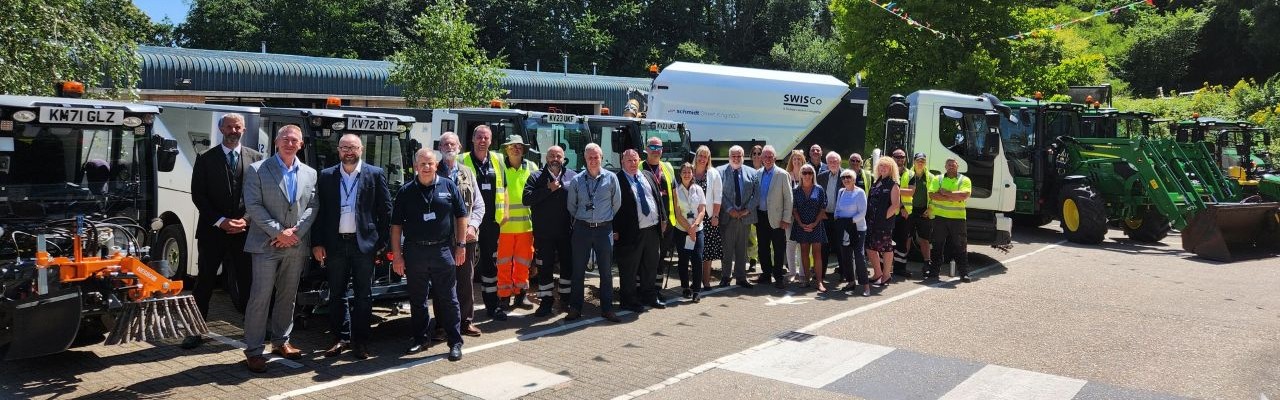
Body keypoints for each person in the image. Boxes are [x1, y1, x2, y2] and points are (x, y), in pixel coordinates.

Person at [241, 125, 318, 373]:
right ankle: (253, 351)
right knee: (260, 298)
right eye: (285, 138)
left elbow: (313, 206)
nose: (289, 142)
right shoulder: (257, 170)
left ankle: (281, 342)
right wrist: (278, 232)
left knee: (288, 297)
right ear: (276, 142)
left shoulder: (310, 173)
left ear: (301, 144)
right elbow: (253, 205)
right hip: (265, 245)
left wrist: (294, 234)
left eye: (294, 139)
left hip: (295, 245)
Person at [185, 113, 264, 349]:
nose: (233, 130)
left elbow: (260, 195)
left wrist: (246, 220)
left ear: (242, 130)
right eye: (229, 126)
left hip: (244, 232)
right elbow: (199, 196)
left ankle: (255, 328)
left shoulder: (257, 159)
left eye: (237, 127)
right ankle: (195, 330)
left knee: (248, 281)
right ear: (221, 129)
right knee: (205, 282)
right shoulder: (205, 158)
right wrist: (221, 221)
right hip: (213, 232)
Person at [313, 134, 391, 360]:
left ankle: (361, 342)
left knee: (363, 295)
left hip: (363, 246)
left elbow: (386, 211)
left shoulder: (375, 174)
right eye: (344, 147)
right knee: (337, 294)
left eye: (353, 147)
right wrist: (317, 243)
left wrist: (381, 244)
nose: (348, 151)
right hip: (335, 245)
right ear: (338, 150)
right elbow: (320, 213)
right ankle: (340, 338)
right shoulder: (326, 176)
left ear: (361, 149)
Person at [391, 149, 466, 361]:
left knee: (449, 298)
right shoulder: (405, 192)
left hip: (443, 251)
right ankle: (421, 339)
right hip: (415, 252)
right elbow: (395, 226)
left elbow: (461, 216)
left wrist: (460, 245)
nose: (426, 167)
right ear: (416, 166)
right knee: (418, 300)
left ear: (436, 165)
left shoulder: (448, 186)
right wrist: (397, 255)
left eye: (430, 163)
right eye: (422, 163)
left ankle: (455, 342)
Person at [565, 143, 623, 322]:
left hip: (604, 229)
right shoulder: (577, 180)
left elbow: (617, 203)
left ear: (602, 157)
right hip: (582, 229)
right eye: (589, 157)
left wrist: (603, 218)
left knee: (606, 272)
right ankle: (575, 308)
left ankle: (607, 309)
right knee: (578, 271)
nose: (593, 160)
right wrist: (585, 218)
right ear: (585, 159)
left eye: (596, 157)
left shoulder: (611, 178)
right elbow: (571, 206)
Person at [436, 132, 485, 337]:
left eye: (452, 143)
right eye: (445, 143)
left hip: (465, 238)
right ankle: (440, 325)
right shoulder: (432, 170)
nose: (449, 146)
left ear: (460, 146)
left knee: (465, 280)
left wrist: (472, 227)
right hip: (440, 238)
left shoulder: (467, 172)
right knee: (442, 282)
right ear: (439, 148)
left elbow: (479, 205)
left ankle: (465, 322)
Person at [459, 126, 505, 321]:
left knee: (490, 266)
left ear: (490, 141)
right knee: (464, 268)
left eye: (486, 138)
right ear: (473, 139)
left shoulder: (498, 159)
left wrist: (506, 214)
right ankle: (463, 312)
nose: (482, 141)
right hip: (468, 223)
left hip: (492, 222)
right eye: (479, 137)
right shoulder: (462, 160)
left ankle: (492, 307)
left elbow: (505, 188)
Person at [524, 145, 576, 317]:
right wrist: (548, 189)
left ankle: (565, 300)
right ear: (546, 158)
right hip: (544, 234)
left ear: (563, 158)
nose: (555, 159)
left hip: (566, 232)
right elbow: (527, 199)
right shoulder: (536, 176)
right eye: (552, 155)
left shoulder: (572, 176)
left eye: (558, 156)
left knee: (567, 267)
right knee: (544, 268)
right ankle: (546, 302)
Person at [616, 149, 668, 313]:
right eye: (628, 160)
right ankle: (628, 300)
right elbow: (612, 207)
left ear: (639, 160)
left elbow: (658, 198)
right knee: (629, 268)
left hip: (652, 229)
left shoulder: (647, 175)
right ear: (622, 162)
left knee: (650, 265)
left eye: (634, 160)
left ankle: (649, 296)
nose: (632, 164)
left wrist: (663, 218)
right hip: (630, 232)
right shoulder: (616, 180)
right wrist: (614, 229)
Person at [494, 135, 538, 311]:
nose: (515, 149)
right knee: (503, 264)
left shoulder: (532, 167)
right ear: (506, 149)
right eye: (512, 146)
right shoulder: (499, 167)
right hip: (504, 227)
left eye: (519, 146)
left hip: (526, 227)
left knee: (523, 263)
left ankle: (521, 295)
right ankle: (504, 297)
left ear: (524, 149)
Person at [717, 145, 759, 288]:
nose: (736, 158)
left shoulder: (753, 173)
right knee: (727, 249)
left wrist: (747, 210)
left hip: (745, 217)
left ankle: (741, 277)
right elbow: (719, 193)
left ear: (743, 156)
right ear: (729, 157)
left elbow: (757, 194)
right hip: (728, 217)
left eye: (739, 156)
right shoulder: (720, 172)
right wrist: (729, 209)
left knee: (742, 249)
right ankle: (725, 277)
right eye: (733, 156)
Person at [925, 158, 973, 283]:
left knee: (961, 246)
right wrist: (953, 197)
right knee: (937, 245)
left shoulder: (964, 180)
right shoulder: (938, 178)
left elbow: (964, 195)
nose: (951, 166)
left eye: (953, 164)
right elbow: (932, 195)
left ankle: (964, 273)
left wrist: (945, 193)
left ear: (958, 166)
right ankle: (934, 272)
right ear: (945, 166)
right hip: (940, 218)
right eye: (949, 164)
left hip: (958, 219)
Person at [641, 136, 678, 295]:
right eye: (652, 147)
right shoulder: (639, 166)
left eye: (658, 148)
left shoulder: (667, 168)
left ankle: (656, 290)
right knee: (646, 259)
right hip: (648, 223)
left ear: (662, 150)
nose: (656, 151)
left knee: (660, 258)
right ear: (646, 149)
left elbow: (674, 195)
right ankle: (642, 290)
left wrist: (675, 219)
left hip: (667, 221)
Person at [753, 145, 793, 289]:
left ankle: (778, 276)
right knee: (762, 248)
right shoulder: (757, 174)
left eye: (770, 157)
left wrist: (786, 218)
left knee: (778, 248)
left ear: (775, 158)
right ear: (761, 158)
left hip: (777, 218)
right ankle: (766, 274)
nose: (768, 159)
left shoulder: (782, 174)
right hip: (761, 217)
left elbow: (789, 198)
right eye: (765, 156)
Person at [791, 164, 828, 291]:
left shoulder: (819, 189)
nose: (807, 175)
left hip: (816, 225)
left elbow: (823, 208)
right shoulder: (795, 190)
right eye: (804, 172)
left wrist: (815, 223)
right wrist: (801, 223)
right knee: (804, 253)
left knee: (817, 254)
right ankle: (806, 279)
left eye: (809, 173)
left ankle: (819, 282)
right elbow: (794, 209)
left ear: (813, 175)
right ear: (801, 174)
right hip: (801, 225)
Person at [672, 162, 706, 302]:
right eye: (684, 172)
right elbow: (678, 214)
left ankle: (697, 290)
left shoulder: (698, 189)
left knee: (697, 259)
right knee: (683, 260)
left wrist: (694, 226)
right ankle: (685, 287)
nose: (687, 174)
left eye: (689, 172)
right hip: (681, 230)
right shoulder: (676, 191)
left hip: (697, 230)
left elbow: (702, 210)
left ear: (692, 174)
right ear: (680, 174)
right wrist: (688, 228)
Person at [866, 157, 901, 288]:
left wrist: (882, 218)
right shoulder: (876, 183)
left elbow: (895, 206)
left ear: (891, 168)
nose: (883, 168)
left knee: (886, 248)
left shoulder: (893, 185)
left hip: (883, 223)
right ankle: (877, 274)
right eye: (880, 166)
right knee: (870, 248)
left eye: (886, 166)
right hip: (871, 222)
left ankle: (886, 276)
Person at [834, 169, 870, 296]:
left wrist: (850, 222)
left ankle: (866, 286)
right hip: (844, 228)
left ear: (854, 179)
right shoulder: (841, 192)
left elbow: (862, 213)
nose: (846, 179)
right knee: (846, 256)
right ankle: (850, 282)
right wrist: (837, 219)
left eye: (849, 177)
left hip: (857, 229)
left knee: (859, 256)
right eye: (843, 177)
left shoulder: (860, 193)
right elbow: (837, 209)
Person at [692, 146, 722, 289]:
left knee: (707, 251)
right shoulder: (689, 171)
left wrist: (715, 215)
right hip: (691, 218)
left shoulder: (713, 173)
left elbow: (718, 197)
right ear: (696, 156)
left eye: (706, 156)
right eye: (701, 155)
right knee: (693, 250)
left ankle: (706, 280)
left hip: (708, 217)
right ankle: (695, 280)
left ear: (709, 158)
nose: (703, 159)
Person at [901, 153, 935, 278]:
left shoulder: (931, 177)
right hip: (909, 211)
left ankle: (927, 264)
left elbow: (934, 195)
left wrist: (930, 209)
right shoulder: (907, 175)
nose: (920, 162)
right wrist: (903, 207)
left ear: (925, 162)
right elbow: (900, 191)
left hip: (924, 212)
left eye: (923, 160)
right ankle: (902, 264)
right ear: (914, 162)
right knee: (907, 238)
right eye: (918, 160)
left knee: (924, 240)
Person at [816, 151, 847, 281]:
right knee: (823, 247)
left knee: (841, 246)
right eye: (830, 162)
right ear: (827, 163)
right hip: (825, 216)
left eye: (835, 161)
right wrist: (820, 212)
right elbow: (817, 196)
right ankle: (821, 275)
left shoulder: (846, 176)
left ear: (839, 162)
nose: (833, 163)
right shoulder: (821, 176)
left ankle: (844, 274)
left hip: (840, 216)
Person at [889, 149, 915, 279]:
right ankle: (885, 269)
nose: (899, 158)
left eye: (902, 156)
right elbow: (887, 190)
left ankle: (900, 268)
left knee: (902, 243)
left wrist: (894, 189)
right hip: (890, 213)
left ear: (905, 158)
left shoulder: (910, 174)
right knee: (886, 241)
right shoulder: (888, 171)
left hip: (904, 215)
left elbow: (911, 192)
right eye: (897, 156)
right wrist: (901, 201)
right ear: (892, 157)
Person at [783, 150, 807, 283]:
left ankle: (803, 272)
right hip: (790, 216)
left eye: (799, 159)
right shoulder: (786, 176)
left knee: (802, 244)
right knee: (790, 243)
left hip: (804, 216)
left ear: (803, 161)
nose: (797, 161)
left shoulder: (807, 175)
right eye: (794, 159)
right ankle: (792, 272)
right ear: (791, 161)